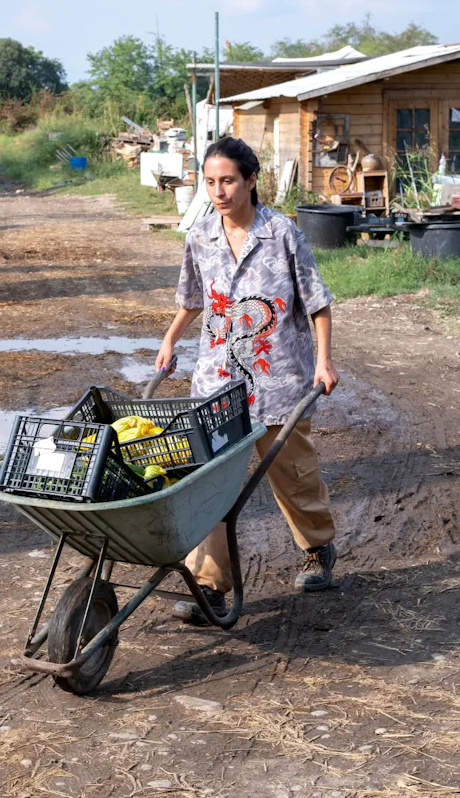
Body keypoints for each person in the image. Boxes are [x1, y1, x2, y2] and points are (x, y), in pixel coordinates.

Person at [155, 136, 340, 625]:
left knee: (292, 473)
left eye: (228, 181)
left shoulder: (282, 233)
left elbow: (316, 301)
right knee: (211, 481)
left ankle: (318, 548)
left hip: (279, 378)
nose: (219, 191)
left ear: (251, 179)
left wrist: (323, 361)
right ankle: (212, 586)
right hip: (218, 380)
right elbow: (192, 297)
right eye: (211, 182)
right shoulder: (199, 235)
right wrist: (171, 339)